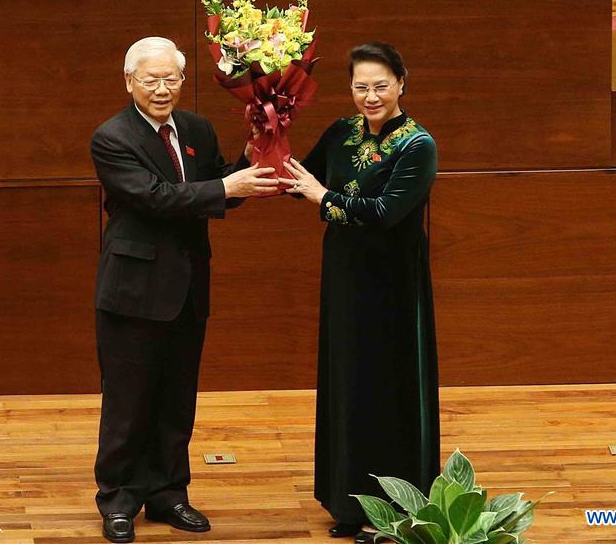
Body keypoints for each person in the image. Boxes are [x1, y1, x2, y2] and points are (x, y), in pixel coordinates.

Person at [91, 36, 278, 543]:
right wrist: (224, 188)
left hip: (188, 286)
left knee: (177, 398)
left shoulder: (195, 127)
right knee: (129, 401)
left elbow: (219, 187)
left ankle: (169, 492)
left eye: (170, 78)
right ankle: (119, 498)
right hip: (133, 290)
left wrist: (252, 153)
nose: (161, 88)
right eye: (150, 80)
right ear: (129, 82)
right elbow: (155, 198)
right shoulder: (112, 137)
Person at [279, 42, 441, 544]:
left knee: (389, 388)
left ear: (401, 84)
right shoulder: (342, 132)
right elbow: (298, 176)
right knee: (347, 382)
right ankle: (347, 501)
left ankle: (396, 509)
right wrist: (266, 134)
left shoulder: (418, 146)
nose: (369, 96)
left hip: (392, 284)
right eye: (360, 87)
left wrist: (323, 198)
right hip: (345, 275)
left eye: (380, 85)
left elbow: (384, 212)